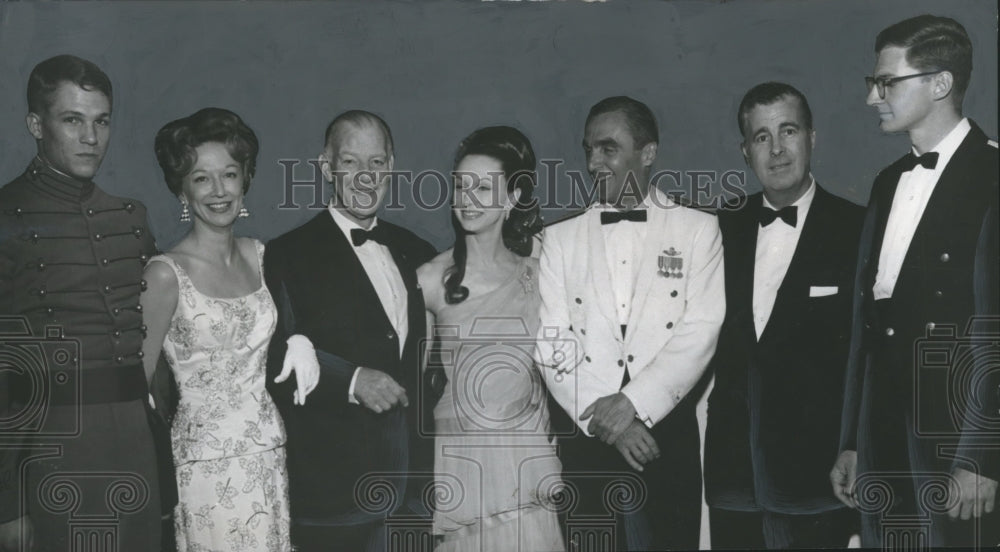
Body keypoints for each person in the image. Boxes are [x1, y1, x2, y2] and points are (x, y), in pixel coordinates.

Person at [831, 14, 999, 548]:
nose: (872, 97)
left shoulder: (993, 178)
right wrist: (854, 441)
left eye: (887, 82)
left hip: (956, 438)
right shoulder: (886, 183)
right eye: (873, 83)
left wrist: (983, 455)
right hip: (882, 436)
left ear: (940, 84)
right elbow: (867, 326)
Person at [534, 96, 725, 550]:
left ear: (648, 153)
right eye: (589, 150)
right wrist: (610, 420)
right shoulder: (559, 240)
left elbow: (700, 329)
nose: (594, 162)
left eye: (608, 148)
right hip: (589, 433)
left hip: (665, 431)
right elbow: (551, 342)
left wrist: (635, 404)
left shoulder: (699, 229)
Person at [0, 54, 164, 551]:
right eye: (72, 120)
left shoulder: (130, 217)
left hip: (136, 441)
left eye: (101, 121)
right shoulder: (6, 217)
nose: (91, 138)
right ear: (35, 124)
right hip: (50, 445)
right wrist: (7, 504)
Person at [141, 107, 316, 551]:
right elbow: (136, 387)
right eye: (202, 178)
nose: (219, 191)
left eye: (230, 175)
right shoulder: (164, 274)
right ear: (181, 188)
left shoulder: (262, 255)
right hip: (204, 466)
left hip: (269, 452)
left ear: (245, 180)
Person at [263, 110, 437, 552]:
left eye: (376, 163)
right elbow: (272, 360)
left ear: (392, 166)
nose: (365, 177)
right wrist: (353, 380)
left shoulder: (418, 251)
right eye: (350, 163)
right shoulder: (286, 255)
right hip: (333, 497)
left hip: (414, 496)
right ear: (326, 166)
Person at [703, 82, 863, 549]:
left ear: (812, 137)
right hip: (734, 478)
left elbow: (870, 353)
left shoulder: (857, 228)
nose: (776, 149)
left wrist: (855, 444)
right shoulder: (716, 229)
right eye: (761, 136)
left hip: (819, 480)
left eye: (788, 131)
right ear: (745, 151)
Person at [417, 126, 561, 551]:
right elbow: (414, 383)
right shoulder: (429, 280)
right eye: (461, 186)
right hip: (462, 466)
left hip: (524, 462)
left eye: (483, 187)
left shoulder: (541, 272)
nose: (468, 198)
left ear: (512, 199)